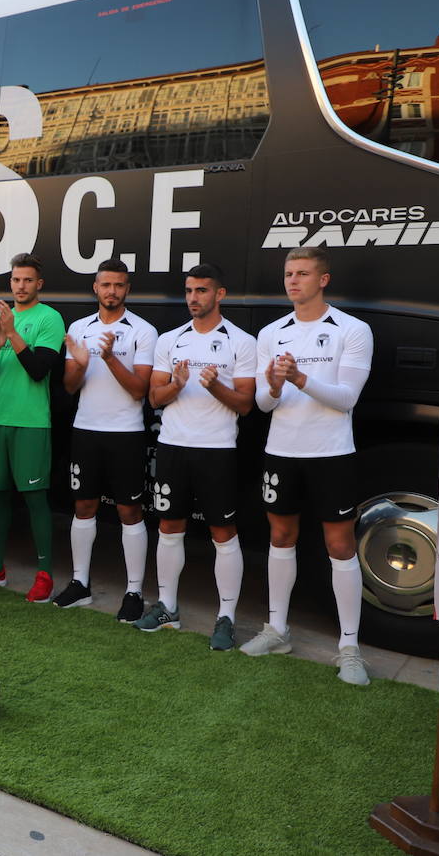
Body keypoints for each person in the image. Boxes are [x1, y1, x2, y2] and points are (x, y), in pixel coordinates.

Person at [244, 247, 373, 685]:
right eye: (288, 274)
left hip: (332, 453)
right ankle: (277, 629)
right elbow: (263, 403)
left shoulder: (352, 330)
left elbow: (346, 399)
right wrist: (277, 385)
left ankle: (350, 647)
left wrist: (300, 378)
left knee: (340, 545)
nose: (292, 281)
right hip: (282, 451)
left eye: (302, 274)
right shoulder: (271, 332)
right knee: (280, 535)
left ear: (324, 280)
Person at [138, 263, 256, 650]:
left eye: (202, 291)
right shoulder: (170, 339)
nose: (193, 298)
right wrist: (176, 385)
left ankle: (226, 618)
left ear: (219, 294)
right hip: (173, 446)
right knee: (169, 527)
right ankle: (167, 606)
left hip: (217, 450)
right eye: (189, 290)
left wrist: (215, 386)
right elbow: (154, 398)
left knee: (223, 533)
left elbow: (246, 405)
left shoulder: (241, 341)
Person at [56, 258, 157, 622]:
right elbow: (69, 386)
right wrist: (80, 364)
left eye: (118, 285)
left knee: (130, 512)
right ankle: (80, 583)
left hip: (126, 433)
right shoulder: (79, 328)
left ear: (127, 289)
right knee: (83, 507)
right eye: (105, 285)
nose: (111, 291)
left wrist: (110, 357)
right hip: (86, 430)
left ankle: (134, 590)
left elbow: (138, 391)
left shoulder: (143, 331)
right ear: (95, 288)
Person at [0, 254, 66, 601]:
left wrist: (11, 332)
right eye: (16, 280)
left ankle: (44, 574)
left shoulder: (50, 318)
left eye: (28, 280)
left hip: (31, 423)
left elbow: (38, 370)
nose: (21, 286)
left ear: (38, 284)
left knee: (34, 498)